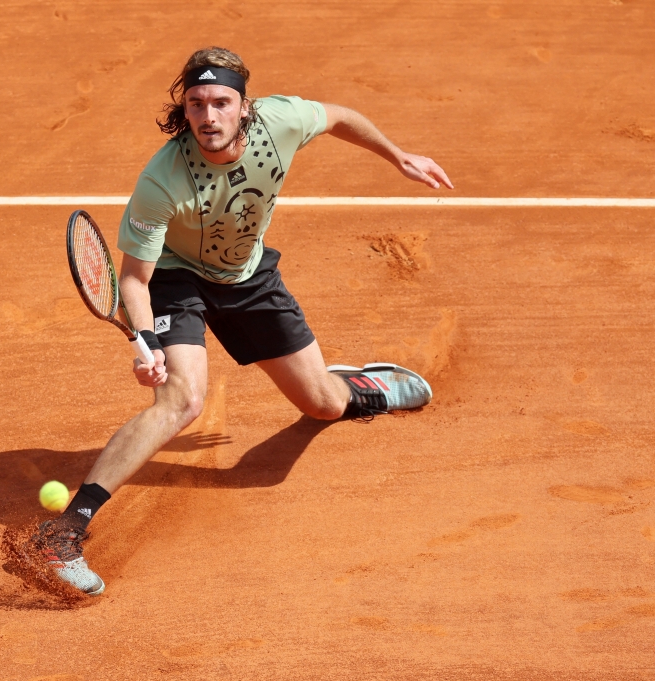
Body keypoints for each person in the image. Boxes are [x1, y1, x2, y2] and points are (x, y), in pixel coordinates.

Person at [31, 47, 453, 595]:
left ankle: (357, 385)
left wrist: (398, 155)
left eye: (221, 103)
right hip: (177, 278)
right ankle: (65, 530)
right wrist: (147, 343)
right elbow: (134, 278)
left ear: (244, 106)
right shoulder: (162, 181)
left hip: (247, 275)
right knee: (181, 399)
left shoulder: (283, 121)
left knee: (322, 405)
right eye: (197, 104)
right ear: (184, 109)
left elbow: (341, 116)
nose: (208, 116)